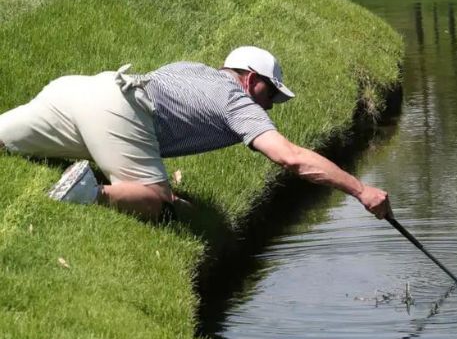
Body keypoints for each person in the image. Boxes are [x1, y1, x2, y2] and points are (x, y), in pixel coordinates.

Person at [0, 46, 390, 221]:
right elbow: (290, 157)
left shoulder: (191, 68)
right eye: (269, 93)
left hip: (77, 89)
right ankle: (87, 193)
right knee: (154, 202)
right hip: (119, 111)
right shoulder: (237, 102)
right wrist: (362, 191)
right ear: (250, 80)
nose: (269, 105)